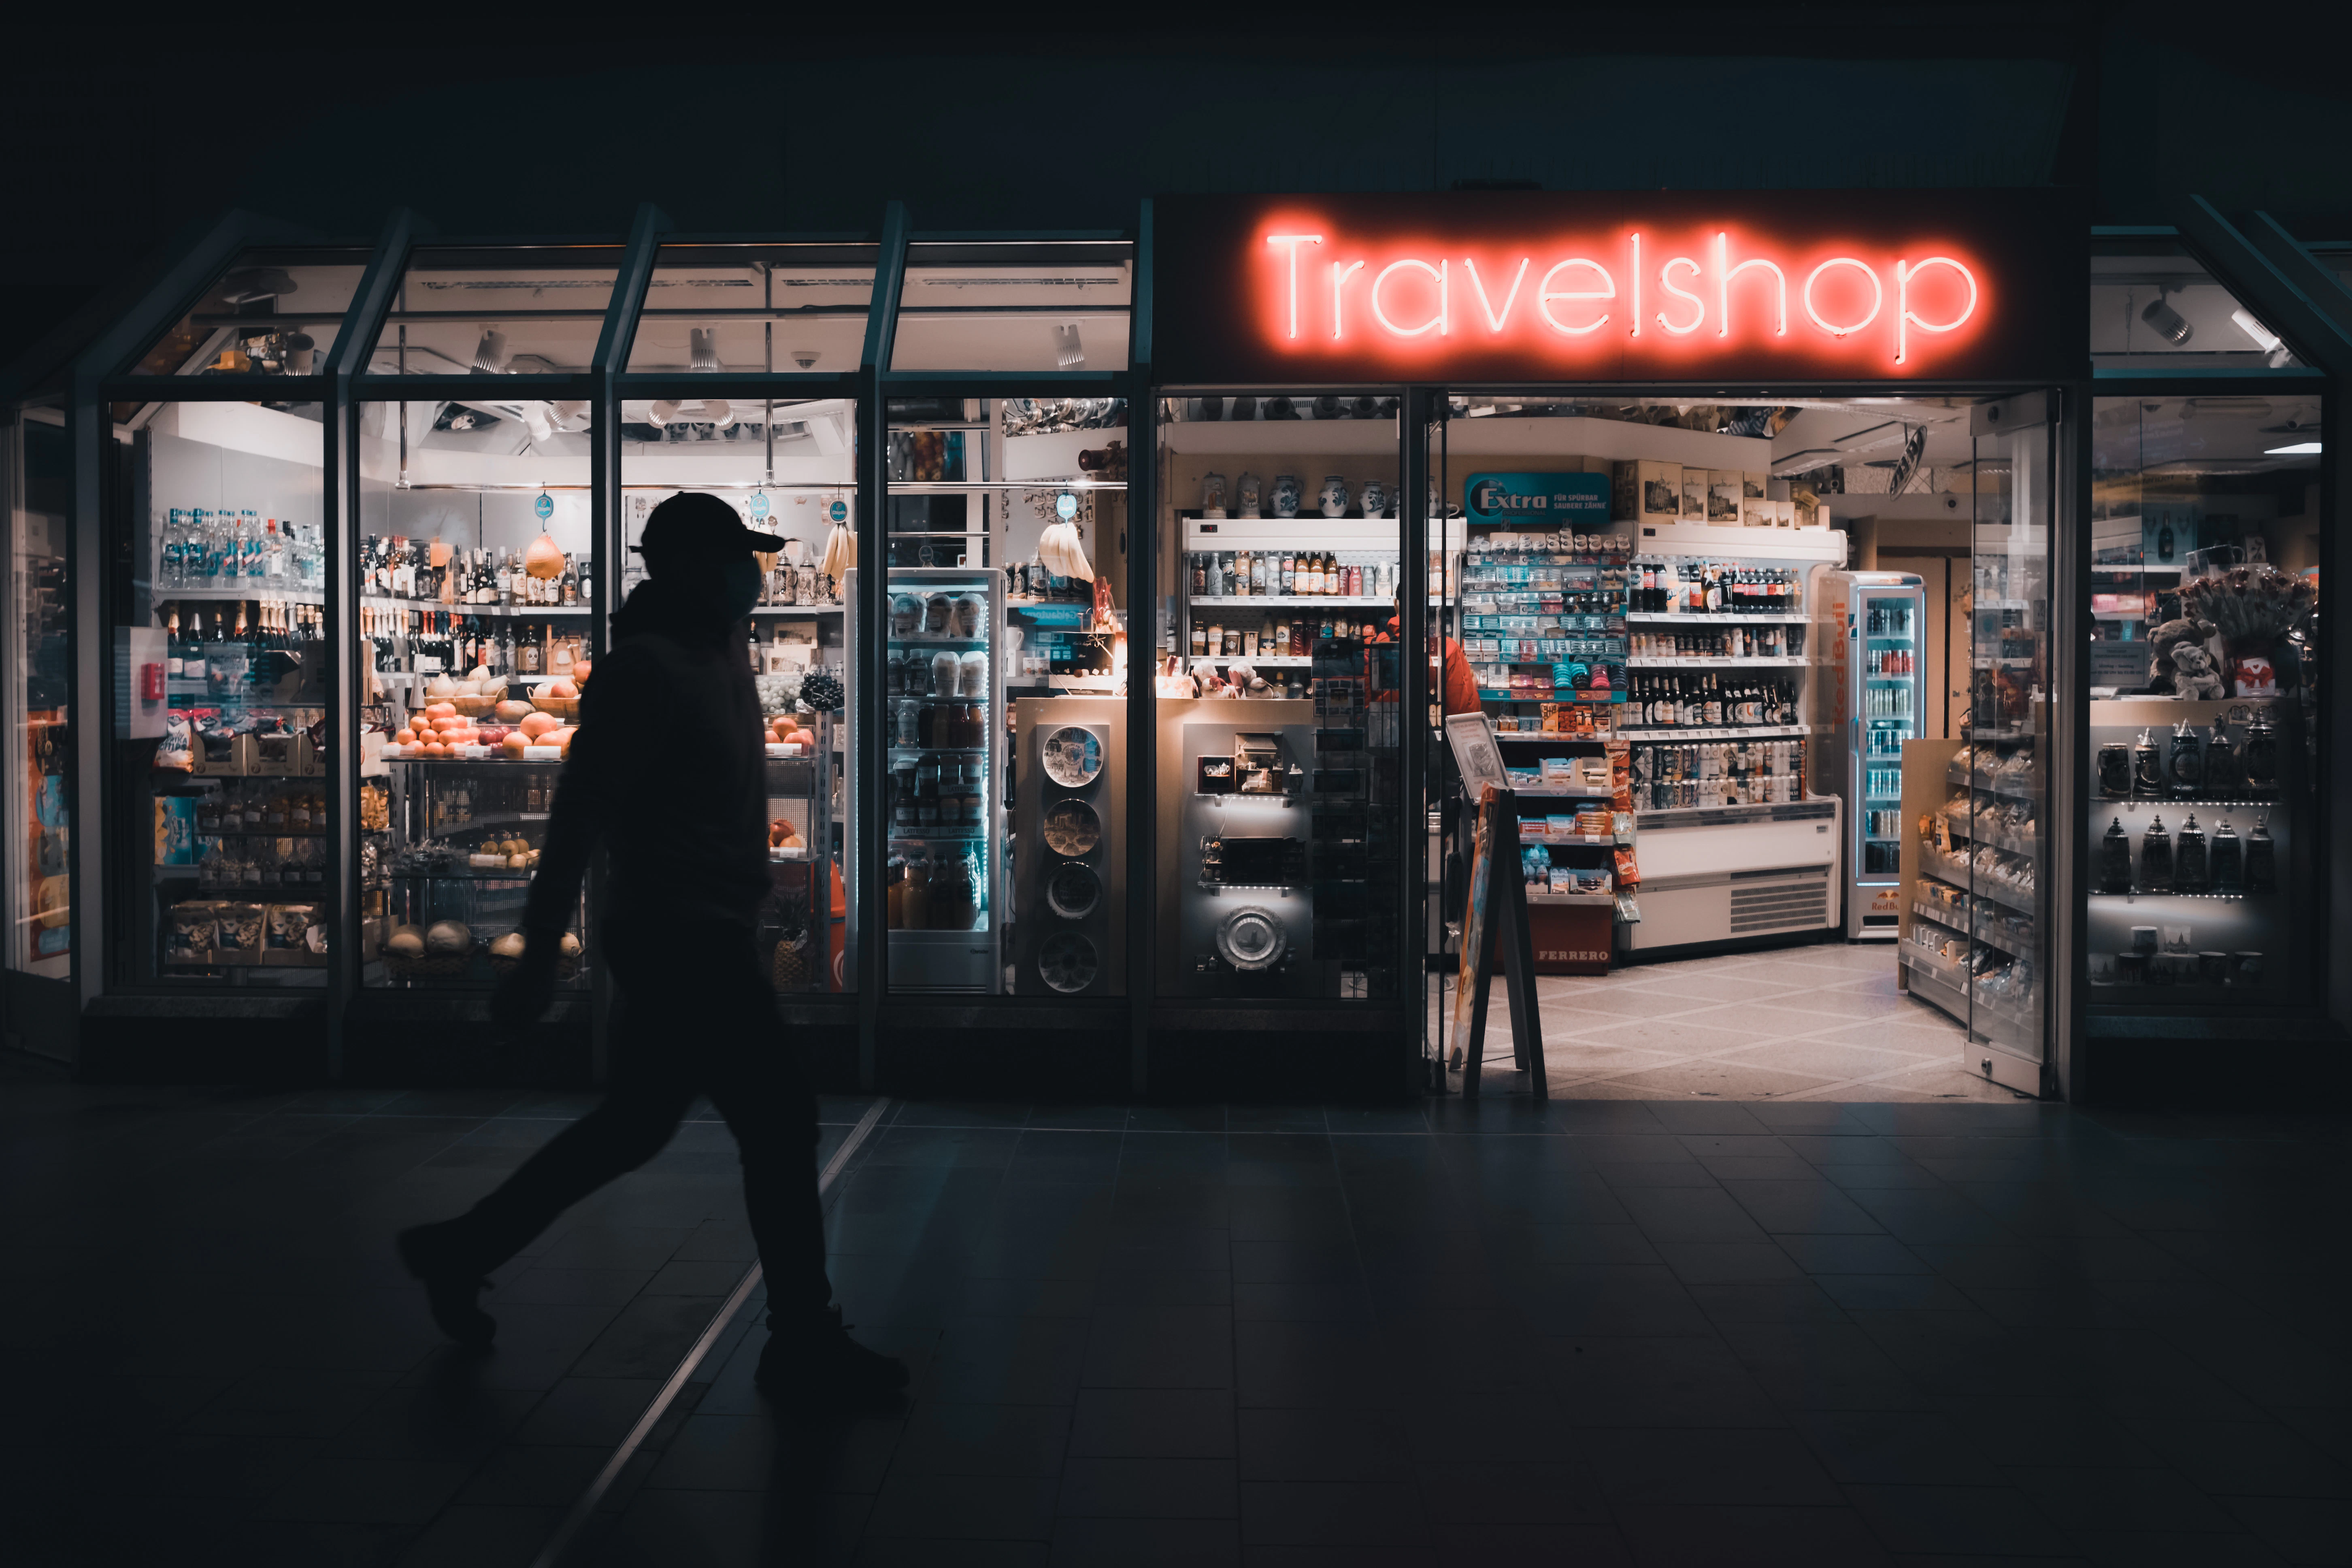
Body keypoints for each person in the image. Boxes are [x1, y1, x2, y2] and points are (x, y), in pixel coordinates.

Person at [396, 491, 905, 1412]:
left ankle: (461, 1249)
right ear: (690, 569)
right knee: (779, 1123)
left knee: (633, 1127)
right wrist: (541, 954)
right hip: (679, 936)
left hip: (706, 929)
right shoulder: (645, 670)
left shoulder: (720, 649)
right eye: (737, 557)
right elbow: (580, 813)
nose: (752, 573)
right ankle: (801, 1340)